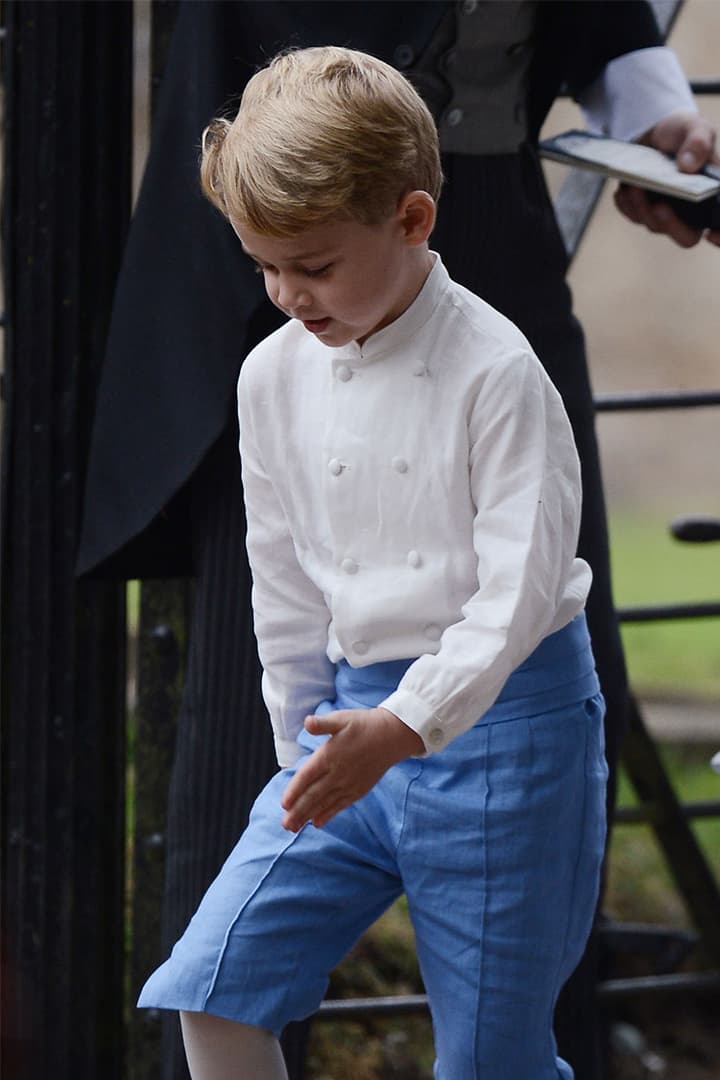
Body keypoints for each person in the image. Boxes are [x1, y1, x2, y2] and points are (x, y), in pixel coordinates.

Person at [76, 5, 718, 1076]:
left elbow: (518, 596)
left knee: (493, 1059)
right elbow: (277, 581)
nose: (286, 296)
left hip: (506, 740)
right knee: (212, 988)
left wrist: (409, 722)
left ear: (414, 220)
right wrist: (299, 751)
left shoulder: (503, 373)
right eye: (264, 267)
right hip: (343, 746)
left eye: (314, 266)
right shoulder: (270, 368)